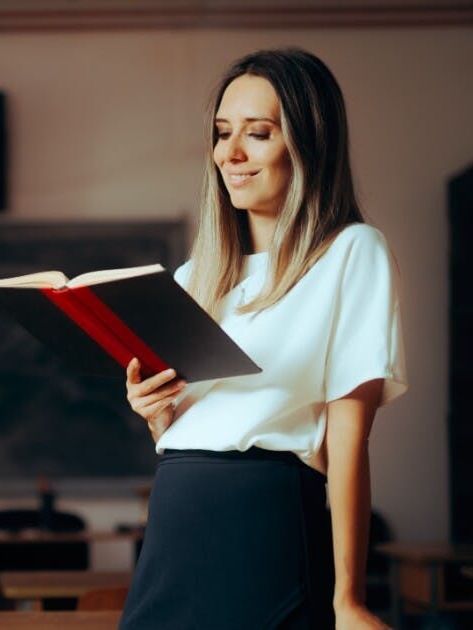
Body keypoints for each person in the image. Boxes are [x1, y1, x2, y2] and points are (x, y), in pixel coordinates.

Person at [119, 47, 407, 629]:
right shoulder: (194, 278)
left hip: (265, 527)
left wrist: (348, 597)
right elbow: (194, 426)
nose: (232, 153)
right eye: (223, 133)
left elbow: (349, 440)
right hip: (175, 523)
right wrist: (155, 414)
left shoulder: (352, 253)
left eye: (259, 133)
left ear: (307, 144)